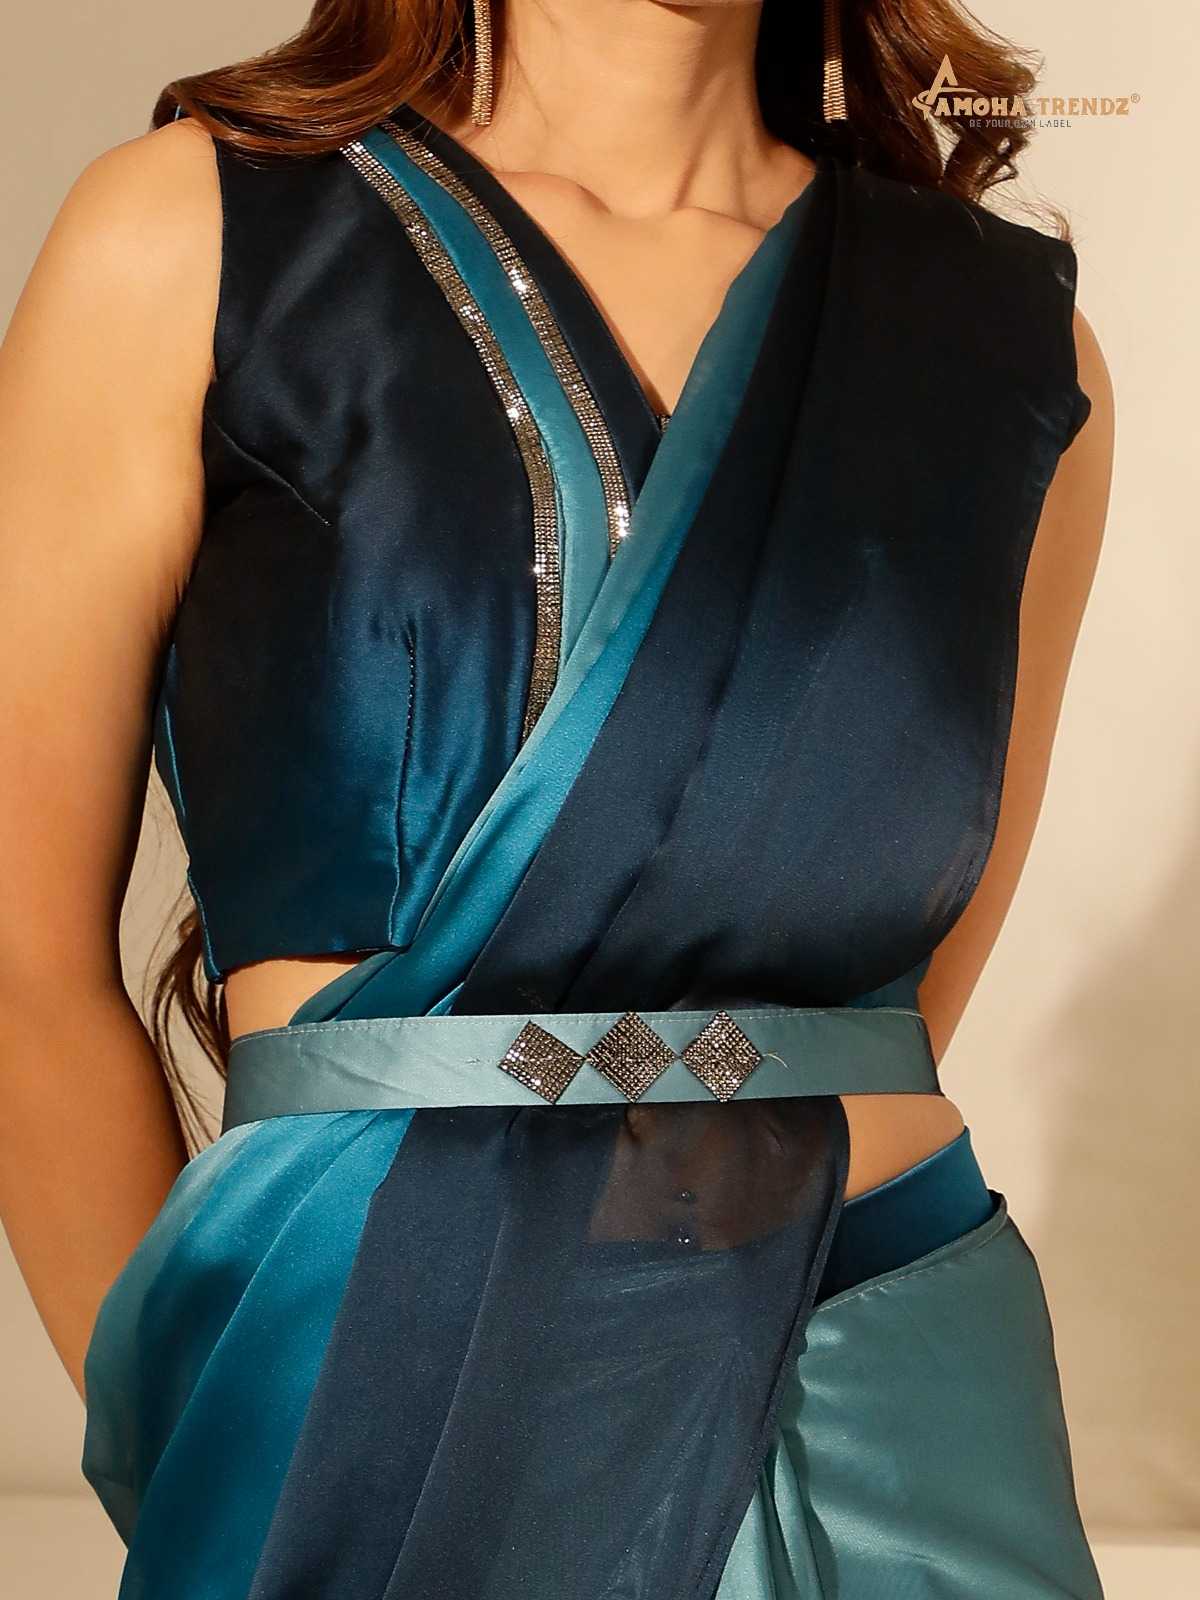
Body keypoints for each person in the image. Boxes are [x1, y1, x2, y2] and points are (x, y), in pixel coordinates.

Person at [0, 0, 1115, 1594]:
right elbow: (21, 964)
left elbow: (898, 997)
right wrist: (226, 1419)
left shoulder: (1012, 345)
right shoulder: (191, 234)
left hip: (887, 1390)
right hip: (372, 1375)